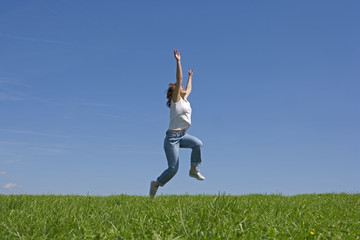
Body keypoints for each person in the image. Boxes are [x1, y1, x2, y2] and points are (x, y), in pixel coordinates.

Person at [149, 49, 205, 198]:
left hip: (182, 135)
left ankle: (193, 170)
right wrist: (178, 61)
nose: (183, 88)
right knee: (173, 169)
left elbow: (189, 88)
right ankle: (156, 184)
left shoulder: (185, 99)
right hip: (172, 139)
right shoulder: (176, 101)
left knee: (198, 144)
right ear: (175, 91)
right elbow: (178, 80)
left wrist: (190, 77)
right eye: (180, 87)